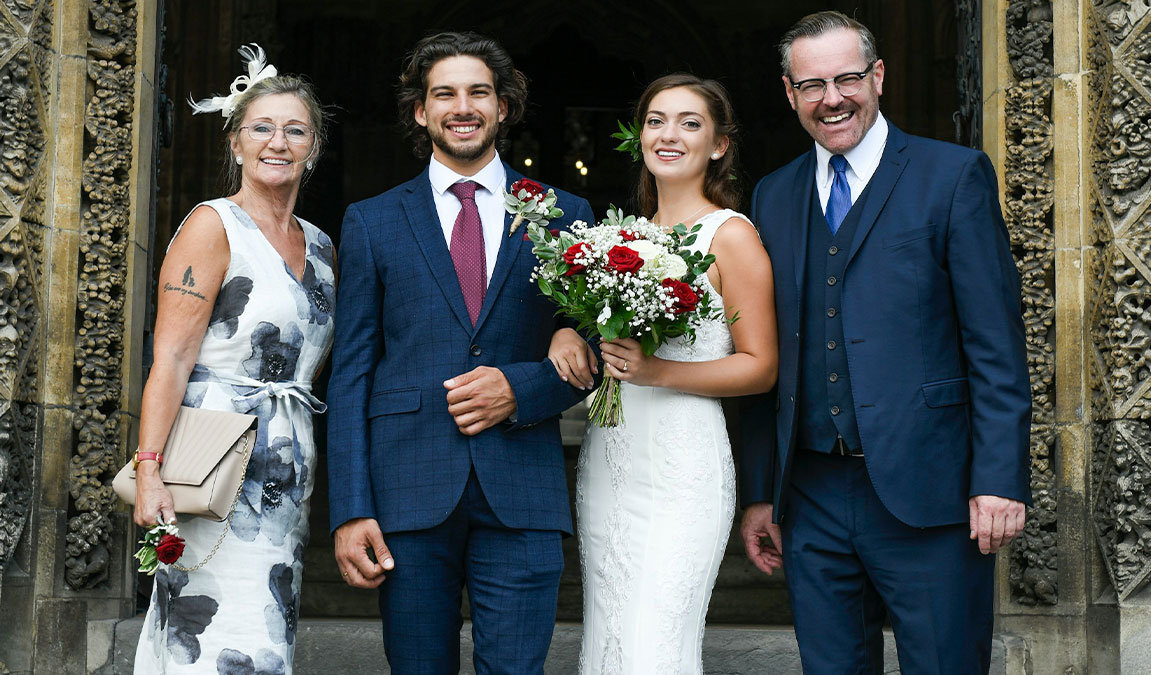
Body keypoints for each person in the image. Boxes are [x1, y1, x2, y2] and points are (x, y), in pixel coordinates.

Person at [738, 11, 1032, 674]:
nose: (832, 98)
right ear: (790, 94)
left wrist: (998, 480)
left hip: (930, 490)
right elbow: (769, 356)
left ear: (877, 77)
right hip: (810, 496)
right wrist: (763, 490)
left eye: (847, 78)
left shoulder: (952, 176)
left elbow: (995, 345)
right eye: (811, 85)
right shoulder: (773, 195)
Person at [325, 31, 594, 674]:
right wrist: (351, 509)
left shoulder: (564, 213)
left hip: (522, 488)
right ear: (421, 111)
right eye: (444, 93)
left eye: (479, 92)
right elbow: (352, 371)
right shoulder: (372, 220)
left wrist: (521, 388)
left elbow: (595, 357)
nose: (462, 106)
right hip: (407, 492)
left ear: (504, 106)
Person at [549, 74, 778, 673]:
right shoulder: (621, 238)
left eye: (689, 122)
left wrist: (658, 372)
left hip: (683, 466)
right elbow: (598, 335)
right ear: (639, 137)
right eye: (655, 120)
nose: (668, 134)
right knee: (609, 637)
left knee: (656, 645)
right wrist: (569, 328)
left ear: (719, 145)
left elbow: (761, 367)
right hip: (611, 459)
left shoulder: (732, 236)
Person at [132, 45, 334, 673]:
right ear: (236, 143)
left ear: (313, 147)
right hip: (214, 460)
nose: (279, 141)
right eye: (262, 128)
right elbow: (169, 357)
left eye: (295, 129)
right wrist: (148, 469)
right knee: (217, 637)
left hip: (287, 465)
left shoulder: (322, 245)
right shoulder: (211, 226)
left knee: (267, 631)